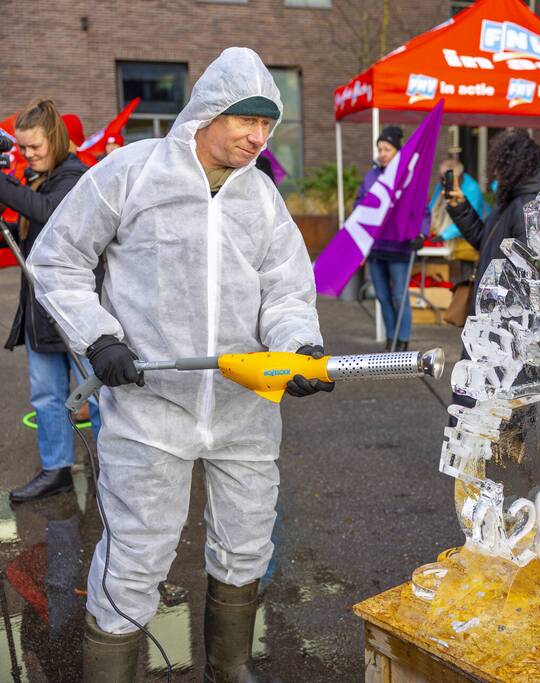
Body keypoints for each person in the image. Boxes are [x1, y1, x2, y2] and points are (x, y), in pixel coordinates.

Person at [28, 47, 331, 682]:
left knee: (247, 542)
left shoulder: (262, 198)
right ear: (209, 113)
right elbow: (58, 258)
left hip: (244, 406)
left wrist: (297, 346)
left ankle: (230, 667)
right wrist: (100, 337)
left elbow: (287, 291)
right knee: (135, 555)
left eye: (268, 126)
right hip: (150, 407)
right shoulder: (132, 174)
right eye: (248, 122)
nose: (259, 138)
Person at [0, 98, 102, 503]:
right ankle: (56, 470)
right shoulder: (38, 178)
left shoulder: (76, 177)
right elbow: (30, 231)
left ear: (56, 140)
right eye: (22, 148)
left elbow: (47, 212)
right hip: (41, 310)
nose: (27, 155)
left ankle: (112, 469)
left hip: (77, 310)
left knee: (95, 395)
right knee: (46, 396)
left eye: (34, 147)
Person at [444, 129, 540, 412]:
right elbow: (487, 243)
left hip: (500, 325)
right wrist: (460, 209)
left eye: (497, 167)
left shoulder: (528, 207)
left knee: (472, 399)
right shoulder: (511, 201)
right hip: (490, 321)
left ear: (510, 166)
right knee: (472, 396)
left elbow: (533, 277)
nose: (494, 175)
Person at [356, 125, 427, 351]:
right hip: (376, 248)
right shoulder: (371, 176)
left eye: (386, 149)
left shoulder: (408, 177)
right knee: (382, 297)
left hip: (400, 247)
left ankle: (403, 340)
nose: (382, 153)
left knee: (399, 296)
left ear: (398, 151)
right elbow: (360, 204)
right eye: (380, 149)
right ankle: (391, 340)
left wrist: (422, 232)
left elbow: (422, 209)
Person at [429, 156, 487, 282]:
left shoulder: (472, 189)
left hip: (468, 240)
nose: (444, 181)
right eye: (442, 177)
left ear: (458, 176)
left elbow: (467, 219)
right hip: (452, 237)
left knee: (465, 278)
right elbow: (432, 208)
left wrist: (444, 236)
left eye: (448, 178)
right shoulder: (442, 185)